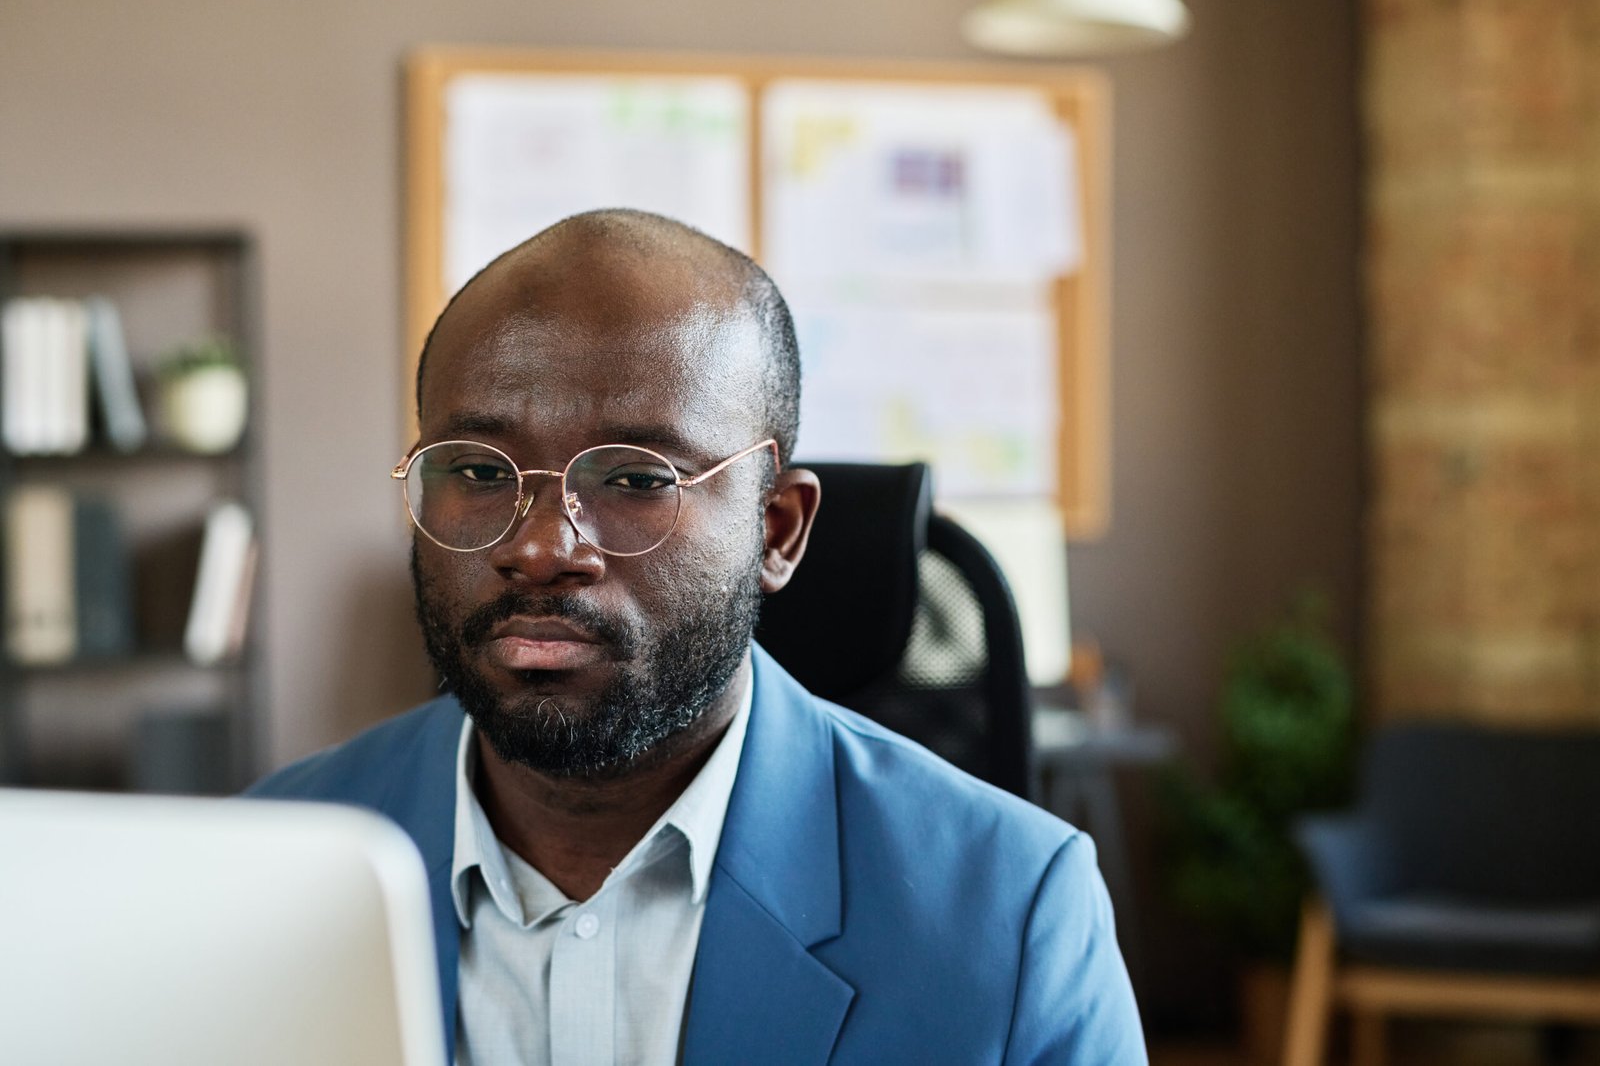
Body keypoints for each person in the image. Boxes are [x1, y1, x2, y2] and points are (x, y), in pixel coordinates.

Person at [249, 208, 1146, 1064]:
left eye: (637, 480)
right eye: (480, 471)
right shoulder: (259, 866)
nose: (538, 547)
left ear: (777, 528)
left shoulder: (1011, 909)